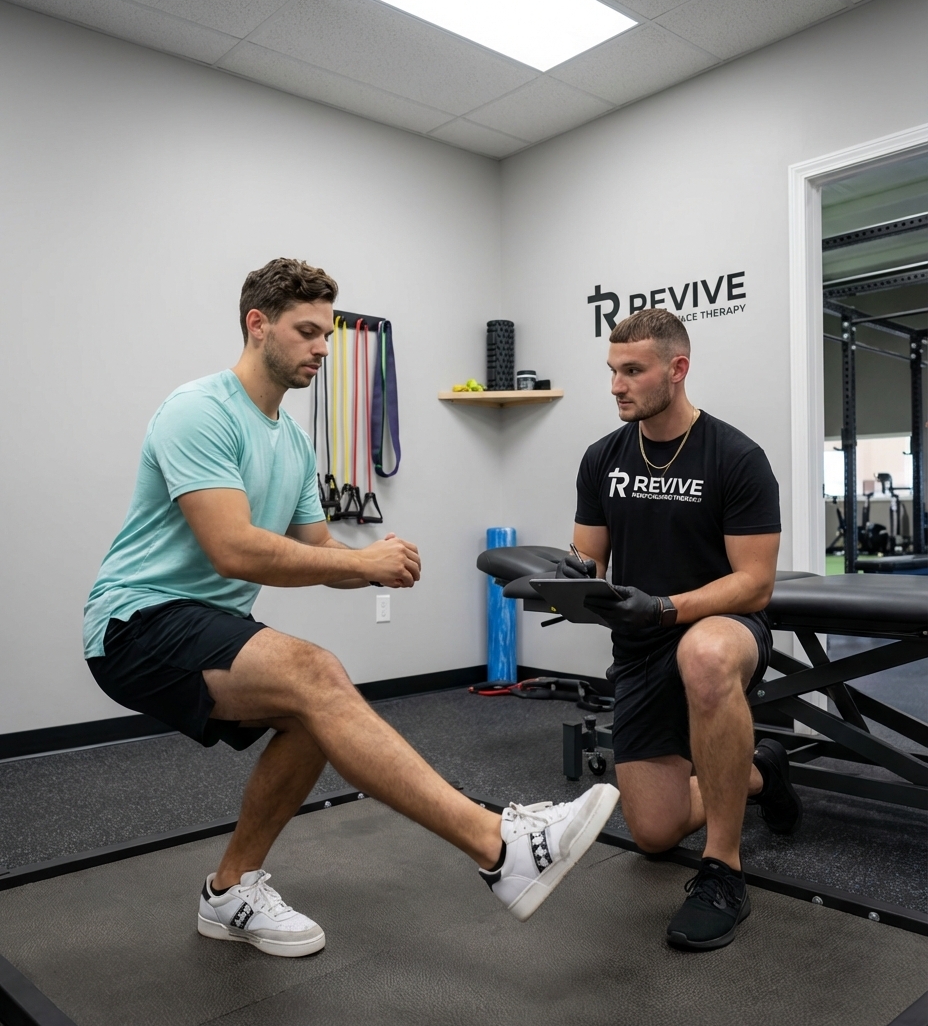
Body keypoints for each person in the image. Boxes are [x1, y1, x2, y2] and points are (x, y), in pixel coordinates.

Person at [83, 258, 618, 958]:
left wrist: (373, 564)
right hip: (136, 621)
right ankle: (499, 848)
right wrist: (358, 563)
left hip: (207, 622)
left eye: (327, 335)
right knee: (317, 672)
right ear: (257, 325)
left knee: (313, 715)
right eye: (307, 332)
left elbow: (317, 549)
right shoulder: (200, 411)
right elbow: (233, 550)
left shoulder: (292, 441)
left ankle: (229, 891)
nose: (322, 348)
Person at [562, 308, 801, 951]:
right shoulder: (602, 458)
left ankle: (724, 870)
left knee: (704, 653)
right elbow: (589, 560)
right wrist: (566, 579)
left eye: (632, 371)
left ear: (677, 369)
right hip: (641, 648)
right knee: (654, 833)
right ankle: (760, 771)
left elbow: (755, 583)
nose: (616, 386)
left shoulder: (736, 456)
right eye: (612, 371)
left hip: (724, 629)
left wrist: (666, 608)